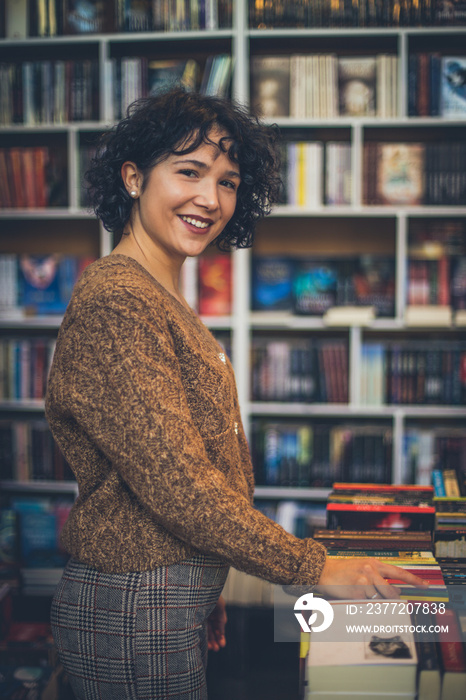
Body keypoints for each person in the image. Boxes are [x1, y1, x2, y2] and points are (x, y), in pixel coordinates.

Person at [45, 87, 428, 700]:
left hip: (163, 599)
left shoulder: (158, 297)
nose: (210, 198)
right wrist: (316, 568)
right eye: (190, 172)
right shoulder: (119, 302)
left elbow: (176, 470)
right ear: (134, 177)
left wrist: (205, 582)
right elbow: (178, 480)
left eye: (227, 182)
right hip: (135, 603)